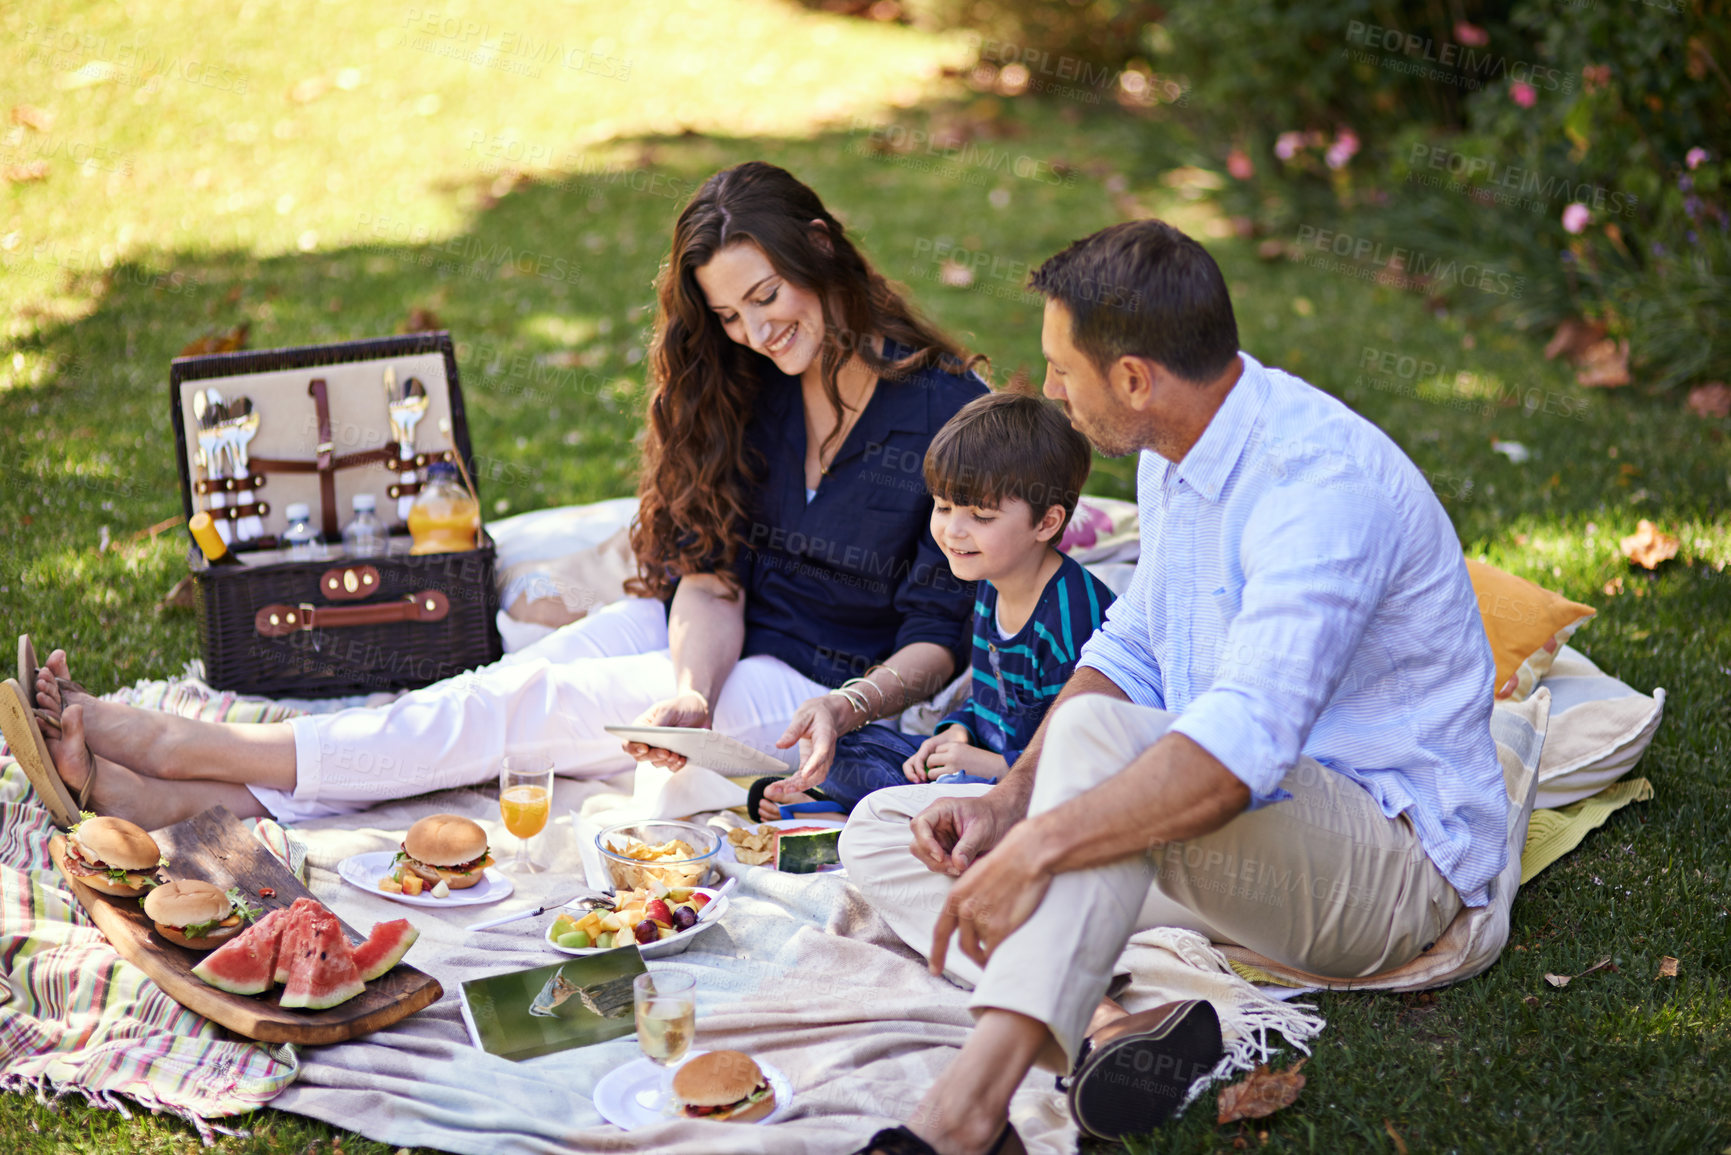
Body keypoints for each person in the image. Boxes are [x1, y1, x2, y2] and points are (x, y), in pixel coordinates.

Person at [22, 161, 989, 830]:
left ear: (820, 249)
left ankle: (189, 755)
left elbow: (939, 635)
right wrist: (690, 690)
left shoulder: (947, 414)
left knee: (527, 721)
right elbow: (713, 576)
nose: (752, 334)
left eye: (767, 298)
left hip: (815, 689)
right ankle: (202, 799)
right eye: (731, 315)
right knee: (499, 693)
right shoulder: (752, 388)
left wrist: (849, 705)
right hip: (711, 639)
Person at [840, 220, 1510, 1155]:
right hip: (1228, 853)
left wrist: (1042, 849)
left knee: (1100, 759)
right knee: (884, 830)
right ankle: (1109, 1023)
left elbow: (1240, 751)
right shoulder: (1174, 452)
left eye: (1062, 370)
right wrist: (1008, 804)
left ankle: (961, 1118)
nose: (1051, 394)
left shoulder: (1318, 487)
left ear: (1133, 379)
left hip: (1383, 869)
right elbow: (1133, 648)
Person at [753, 391, 1116, 820]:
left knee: (924, 804)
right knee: (846, 747)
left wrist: (996, 767)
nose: (953, 531)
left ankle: (856, 814)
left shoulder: (1073, 616)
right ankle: (867, 808)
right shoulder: (991, 584)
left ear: (1047, 522)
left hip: (1037, 792)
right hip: (974, 772)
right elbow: (988, 701)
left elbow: (1088, 752)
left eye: (981, 516)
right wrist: (957, 733)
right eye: (943, 507)